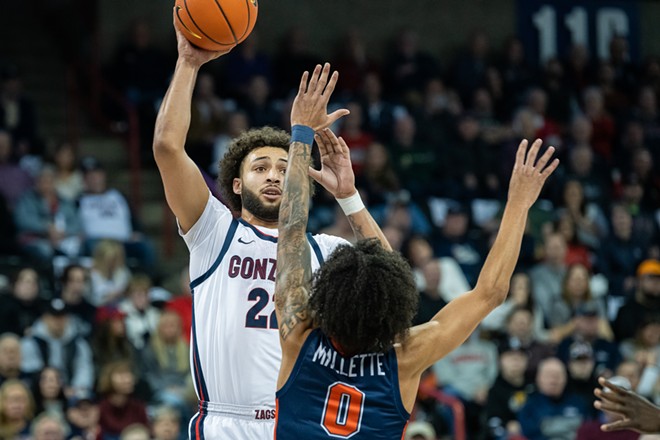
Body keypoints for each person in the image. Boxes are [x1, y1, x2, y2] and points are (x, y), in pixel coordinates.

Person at [273, 63, 559, 438]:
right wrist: (519, 204)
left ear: (324, 296)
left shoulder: (299, 333)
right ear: (396, 304)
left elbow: (291, 231)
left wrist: (300, 134)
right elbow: (491, 292)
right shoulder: (405, 356)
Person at [152, 12, 387, 439]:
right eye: (261, 167)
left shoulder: (323, 251)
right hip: (225, 421)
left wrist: (349, 196)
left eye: (284, 167)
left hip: (300, 422)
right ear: (237, 185)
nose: (276, 175)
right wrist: (188, 62)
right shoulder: (214, 231)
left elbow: (391, 281)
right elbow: (167, 148)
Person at [594, 377, 660, 434]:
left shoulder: (644, 432)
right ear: (603, 401)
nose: (615, 404)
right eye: (610, 399)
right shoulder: (589, 429)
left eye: (620, 401)